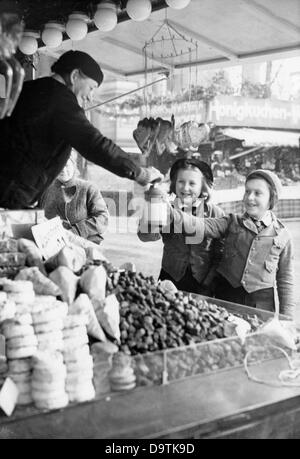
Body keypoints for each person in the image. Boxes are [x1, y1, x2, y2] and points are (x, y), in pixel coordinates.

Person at [0, 50, 162, 210]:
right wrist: (139, 173)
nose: (90, 97)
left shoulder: (28, 88)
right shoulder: (61, 100)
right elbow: (94, 144)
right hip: (10, 194)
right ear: (75, 76)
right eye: (91, 88)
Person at [163, 169, 294, 317]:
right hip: (227, 298)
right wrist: (171, 213)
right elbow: (201, 225)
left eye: (258, 193)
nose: (250, 198)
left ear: (272, 198)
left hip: (261, 306)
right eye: (247, 191)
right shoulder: (232, 221)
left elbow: (285, 280)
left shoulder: (283, 235)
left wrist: (286, 319)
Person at [138, 158, 224, 296]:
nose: (185, 188)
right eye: (181, 182)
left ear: (202, 187)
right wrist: (151, 207)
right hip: (170, 277)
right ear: (173, 185)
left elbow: (220, 254)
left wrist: (208, 284)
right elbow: (146, 236)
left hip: (202, 283)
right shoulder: (165, 209)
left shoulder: (216, 213)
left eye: (192, 183)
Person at [40, 156, 108, 245]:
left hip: (86, 243)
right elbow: (37, 216)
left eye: (67, 165)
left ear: (74, 166)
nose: (63, 169)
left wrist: (76, 231)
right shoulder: (45, 190)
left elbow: (103, 218)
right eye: (60, 165)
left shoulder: (89, 188)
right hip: (53, 244)